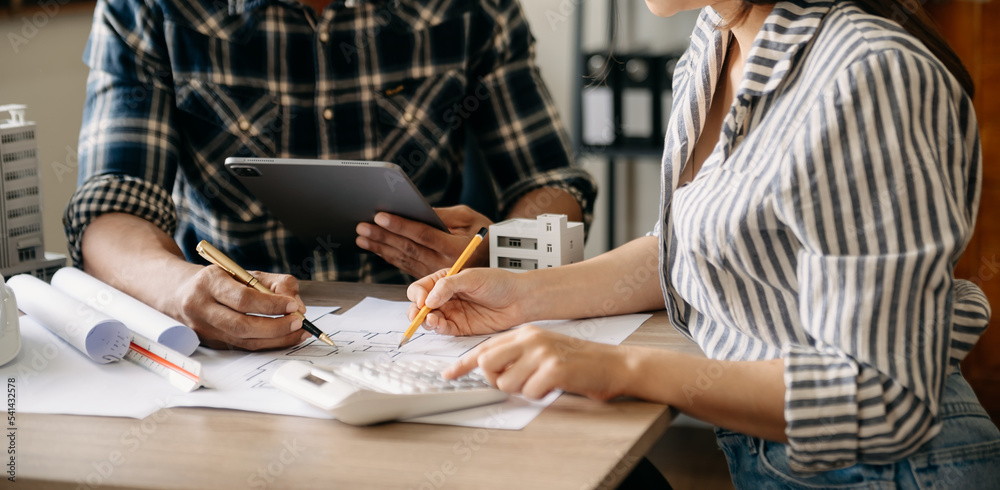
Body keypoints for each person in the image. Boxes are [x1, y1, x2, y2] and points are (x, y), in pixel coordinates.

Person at [409, 0, 1000, 487]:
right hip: (777, 458)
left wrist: (621, 368)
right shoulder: (718, 37)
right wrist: (523, 296)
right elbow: (695, 248)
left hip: (893, 471)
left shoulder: (870, 75)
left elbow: (882, 396)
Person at [63, 0, 596, 350]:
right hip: (226, 343)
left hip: (431, 331)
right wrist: (176, 288)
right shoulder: (146, 9)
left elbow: (550, 183)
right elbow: (112, 208)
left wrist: (496, 251)